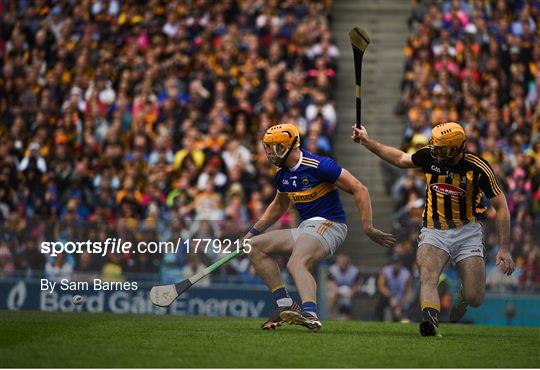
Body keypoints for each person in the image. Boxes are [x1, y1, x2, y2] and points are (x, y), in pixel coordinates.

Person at [352, 122, 515, 337]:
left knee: (475, 297)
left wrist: (504, 249)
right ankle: (430, 321)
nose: (436, 152)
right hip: (434, 229)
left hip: (468, 232)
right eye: (435, 147)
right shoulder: (429, 155)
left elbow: (501, 207)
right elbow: (401, 159)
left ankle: (463, 297)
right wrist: (367, 141)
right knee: (427, 274)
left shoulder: (478, 168)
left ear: (458, 148)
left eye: (442, 149)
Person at [244, 123, 395, 331]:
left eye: (274, 147)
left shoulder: (319, 165)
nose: (269, 153)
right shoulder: (282, 173)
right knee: (253, 246)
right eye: (267, 147)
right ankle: (284, 304)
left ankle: (310, 314)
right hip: (306, 228)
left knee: (296, 262)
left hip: (330, 225)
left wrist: (368, 227)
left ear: (287, 146)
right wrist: (252, 232)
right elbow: (279, 205)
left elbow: (359, 189)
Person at [375, 255, 413, 322]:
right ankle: (379, 319)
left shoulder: (406, 273)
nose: (395, 265)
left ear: (400, 263)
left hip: (401, 298)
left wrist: (402, 302)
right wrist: (390, 296)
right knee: (380, 299)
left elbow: (408, 290)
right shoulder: (386, 271)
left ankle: (402, 318)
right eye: (394, 263)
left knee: (407, 305)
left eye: (397, 263)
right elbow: (381, 286)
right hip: (388, 296)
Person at [326, 253, 361, 320]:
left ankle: (344, 316)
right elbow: (330, 283)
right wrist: (339, 292)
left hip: (349, 291)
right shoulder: (332, 270)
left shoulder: (354, 271)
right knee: (331, 295)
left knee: (346, 290)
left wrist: (352, 292)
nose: (343, 263)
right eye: (341, 262)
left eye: (344, 262)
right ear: (338, 261)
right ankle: (330, 316)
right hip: (336, 290)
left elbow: (357, 285)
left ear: (348, 262)